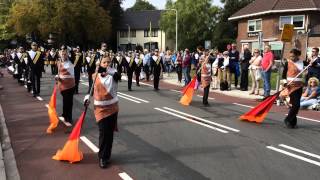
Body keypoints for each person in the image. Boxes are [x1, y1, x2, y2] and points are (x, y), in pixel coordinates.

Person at [84, 55, 120, 169]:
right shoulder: (95, 75)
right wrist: (86, 98)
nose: (107, 64)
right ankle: (102, 157)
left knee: (109, 134)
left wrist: (107, 70)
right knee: (103, 133)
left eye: (108, 62)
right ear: (99, 64)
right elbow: (90, 89)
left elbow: (118, 77)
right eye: (104, 62)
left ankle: (107, 155)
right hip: (100, 109)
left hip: (113, 108)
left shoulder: (114, 73)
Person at [280, 49, 304, 128]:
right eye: (290, 56)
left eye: (293, 56)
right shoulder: (288, 63)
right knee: (296, 105)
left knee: (294, 105)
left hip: (299, 86)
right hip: (291, 86)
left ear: (297, 55)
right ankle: (288, 119)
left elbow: (314, 65)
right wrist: (285, 83)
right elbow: (283, 76)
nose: (291, 58)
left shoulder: (302, 63)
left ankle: (293, 122)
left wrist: (313, 62)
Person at [55, 47, 75, 124]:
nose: (63, 54)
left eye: (65, 53)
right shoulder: (58, 62)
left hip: (71, 84)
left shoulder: (71, 61)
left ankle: (68, 117)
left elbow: (73, 54)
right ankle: (65, 114)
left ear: (67, 54)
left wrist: (68, 48)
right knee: (65, 101)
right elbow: (58, 73)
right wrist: (57, 77)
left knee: (70, 101)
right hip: (62, 85)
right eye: (62, 53)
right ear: (59, 54)